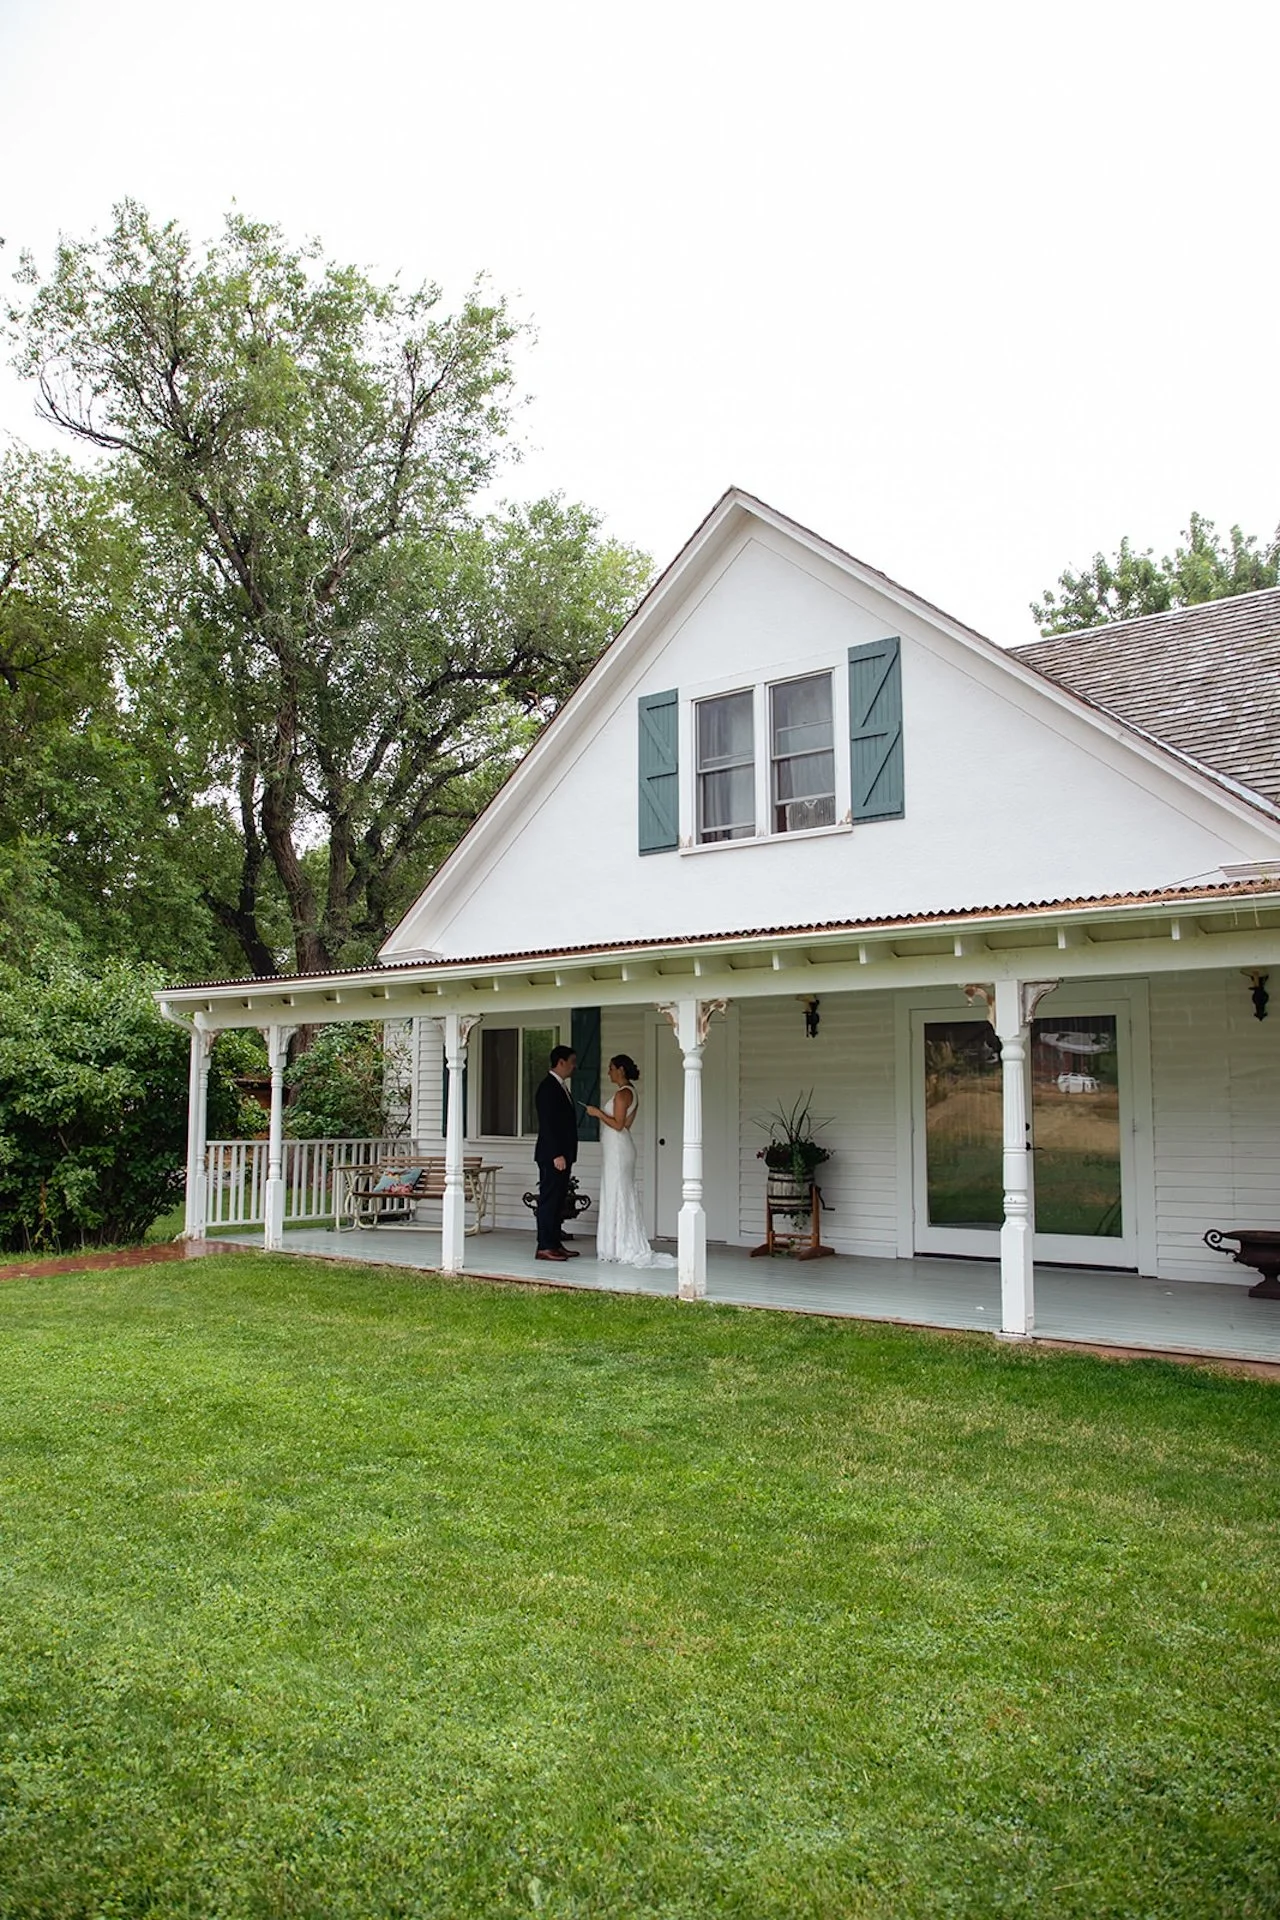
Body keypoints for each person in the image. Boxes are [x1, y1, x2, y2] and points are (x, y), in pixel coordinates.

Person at [585, 1055, 675, 1268]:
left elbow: (618, 1125)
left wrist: (597, 1113)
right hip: (619, 1147)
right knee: (617, 1192)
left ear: (621, 1070)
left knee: (617, 1193)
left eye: (611, 1068)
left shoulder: (623, 1093)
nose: (609, 1072)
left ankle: (619, 1246)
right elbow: (624, 1124)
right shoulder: (631, 1092)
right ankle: (615, 1244)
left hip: (618, 1149)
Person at [533, 1044, 579, 1262]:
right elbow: (548, 1125)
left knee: (559, 1199)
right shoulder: (548, 1087)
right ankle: (544, 1245)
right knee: (549, 1199)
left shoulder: (560, 1086)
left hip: (563, 1154)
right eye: (571, 1062)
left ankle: (555, 1242)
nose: (573, 1066)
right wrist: (556, 1154)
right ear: (560, 1062)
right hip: (554, 1156)